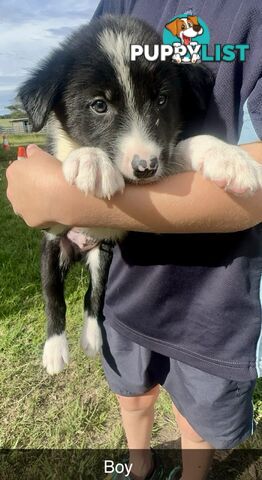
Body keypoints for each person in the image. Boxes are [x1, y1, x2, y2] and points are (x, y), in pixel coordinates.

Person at [6, 1, 262, 479]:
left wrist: (65, 197)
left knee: (197, 415)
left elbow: (187, 150)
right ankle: (137, 464)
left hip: (213, 304)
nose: (142, 149)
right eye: (101, 105)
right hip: (129, 296)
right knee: (132, 391)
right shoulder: (121, 4)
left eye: (159, 100)